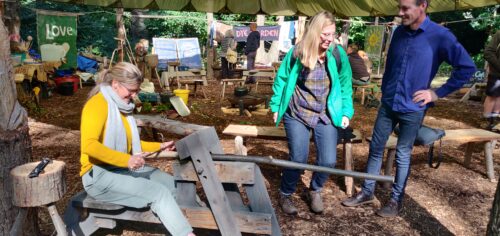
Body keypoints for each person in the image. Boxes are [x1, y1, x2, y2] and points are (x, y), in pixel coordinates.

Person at [342, 0, 476, 217]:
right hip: (388, 104)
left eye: (406, 8)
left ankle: (395, 200)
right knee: (376, 147)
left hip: (413, 107)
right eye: (399, 7)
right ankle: (367, 192)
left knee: (403, 154)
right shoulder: (398, 33)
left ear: (422, 5)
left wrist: (436, 93)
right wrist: (385, 90)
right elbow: (392, 65)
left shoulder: (440, 35)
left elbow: (467, 68)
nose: (400, 13)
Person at [80, 62, 195, 236]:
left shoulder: (120, 105)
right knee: (158, 193)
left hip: (119, 169)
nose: (134, 96)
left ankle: (194, 221)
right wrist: (127, 160)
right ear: (115, 84)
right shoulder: (97, 105)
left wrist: (159, 146)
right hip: (97, 176)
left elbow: (130, 144)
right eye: (131, 91)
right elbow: (89, 146)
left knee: (173, 184)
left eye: (136, 91)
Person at [270, 11, 353, 215]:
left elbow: (345, 84)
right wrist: (275, 106)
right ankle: (286, 193)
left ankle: (314, 190)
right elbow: (282, 79)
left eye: (332, 35)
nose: (328, 39)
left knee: (328, 161)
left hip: (326, 112)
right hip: (297, 111)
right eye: (324, 34)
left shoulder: (337, 53)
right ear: (315, 32)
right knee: (298, 157)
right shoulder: (298, 51)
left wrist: (346, 112)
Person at [483, 30, 500, 129]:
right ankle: (487, 122)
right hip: (496, 73)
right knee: (493, 96)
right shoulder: (499, 33)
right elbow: (488, 52)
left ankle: (495, 123)